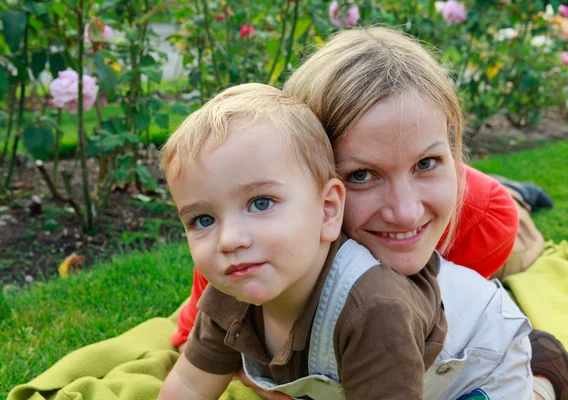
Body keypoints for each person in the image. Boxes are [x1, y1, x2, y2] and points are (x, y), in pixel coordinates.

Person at [171, 27, 568, 399]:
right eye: (361, 174)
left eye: (427, 162)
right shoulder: (245, 249)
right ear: (318, 187)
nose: (405, 212)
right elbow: (197, 363)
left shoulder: (477, 225)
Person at [157, 83, 448, 399]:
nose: (229, 241)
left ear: (327, 210)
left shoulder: (373, 308)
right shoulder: (231, 294)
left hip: (486, 378)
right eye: (203, 220)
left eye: (261, 203)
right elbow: (189, 386)